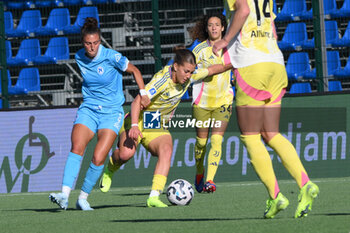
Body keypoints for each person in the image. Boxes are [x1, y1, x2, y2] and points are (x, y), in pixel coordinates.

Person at [213, 0, 319, 219]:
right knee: (271, 133)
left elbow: (242, 9)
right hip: (276, 63)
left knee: (250, 136)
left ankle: (276, 195)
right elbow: (271, 27)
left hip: (252, 67)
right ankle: (305, 184)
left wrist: (224, 40)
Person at [99, 49, 232, 207]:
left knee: (167, 149)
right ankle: (110, 168)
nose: (189, 75)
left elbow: (212, 70)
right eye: (186, 71)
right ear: (175, 66)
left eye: (191, 72)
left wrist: (233, 65)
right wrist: (134, 126)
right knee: (125, 154)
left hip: (155, 123)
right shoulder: (162, 80)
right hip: (139, 118)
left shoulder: (189, 77)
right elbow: (136, 102)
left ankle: (154, 197)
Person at [49, 17, 150, 211]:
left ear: (100, 41)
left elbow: (135, 70)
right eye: (88, 43)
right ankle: (64, 195)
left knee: (98, 157)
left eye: (95, 43)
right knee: (77, 146)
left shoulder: (111, 56)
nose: (92, 47)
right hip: (89, 109)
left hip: (112, 113)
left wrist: (143, 93)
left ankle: (83, 198)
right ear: (83, 43)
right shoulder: (79, 56)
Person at [190, 14, 234, 193]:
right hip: (202, 102)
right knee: (201, 143)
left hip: (223, 101)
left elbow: (234, 65)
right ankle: (199, 172)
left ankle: (210, 180)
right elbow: (189, 72)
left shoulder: (229, 47)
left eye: (217, 25)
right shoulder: (198, 50)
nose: (214, 28)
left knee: (216, 140)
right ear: (206, 29)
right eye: (210, 25)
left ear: (223, 28)